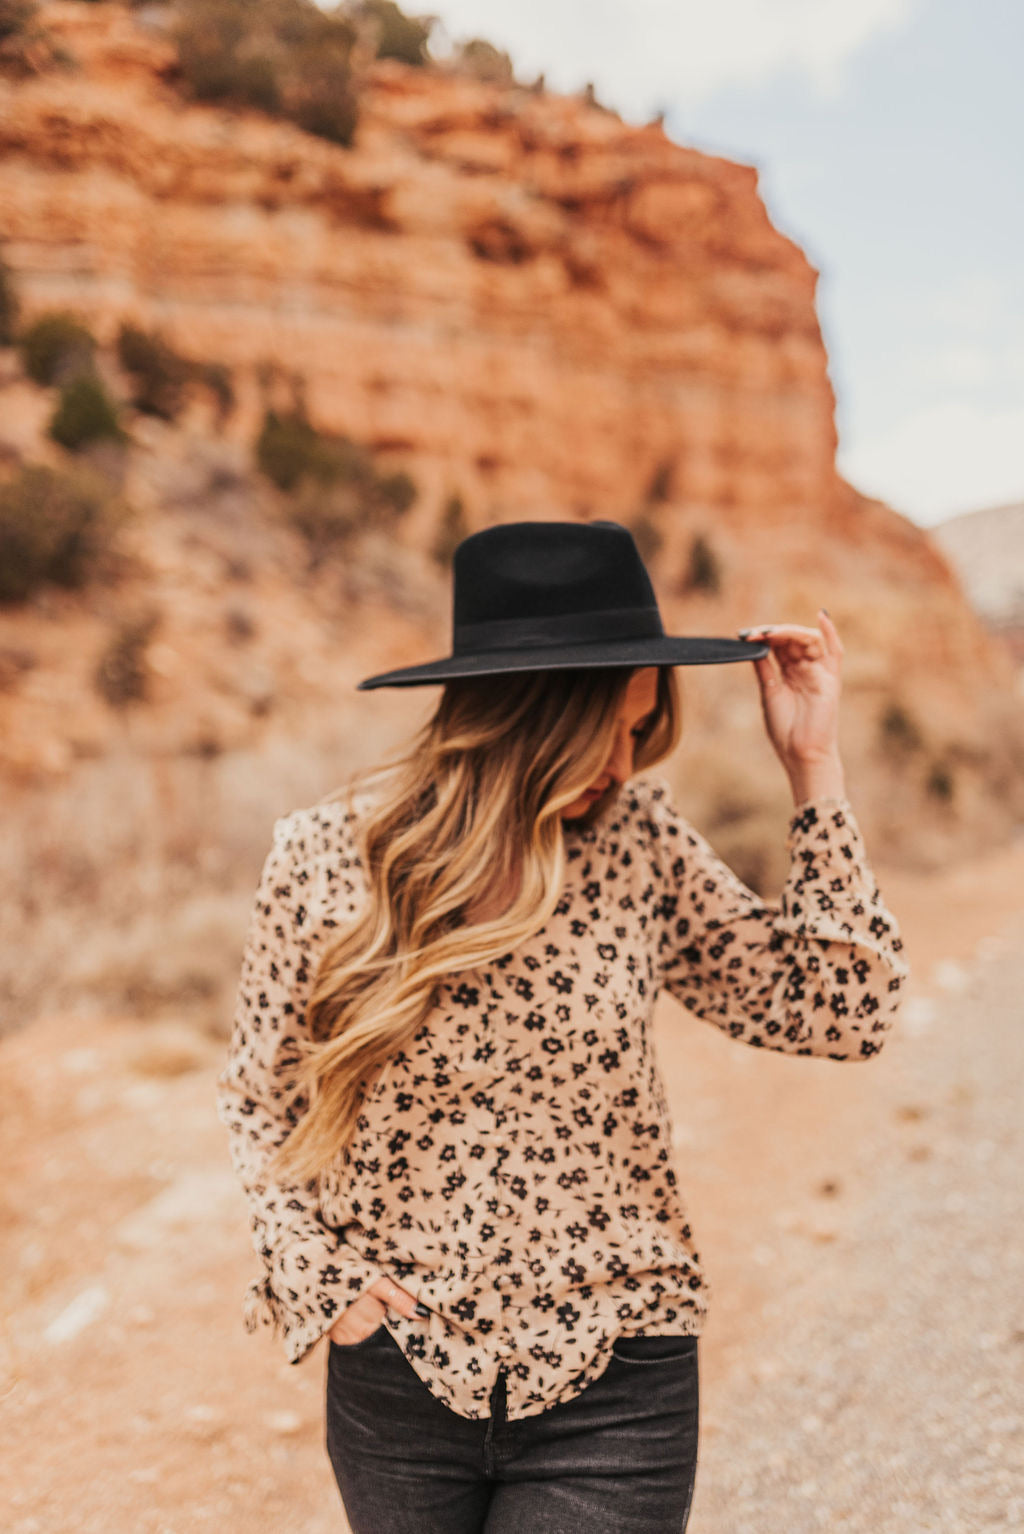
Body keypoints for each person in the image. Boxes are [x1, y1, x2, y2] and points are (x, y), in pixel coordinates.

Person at [216, 519, 909, 1533]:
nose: (628, 764)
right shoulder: (327, 857)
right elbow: (257, 1094)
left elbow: (842, 1011)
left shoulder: (639, 845)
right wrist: (323, 1281)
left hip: (618, 1372)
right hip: (399, 1381)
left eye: (641, 731)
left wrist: (814, 765)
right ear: (533, 719)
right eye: (617, 730)